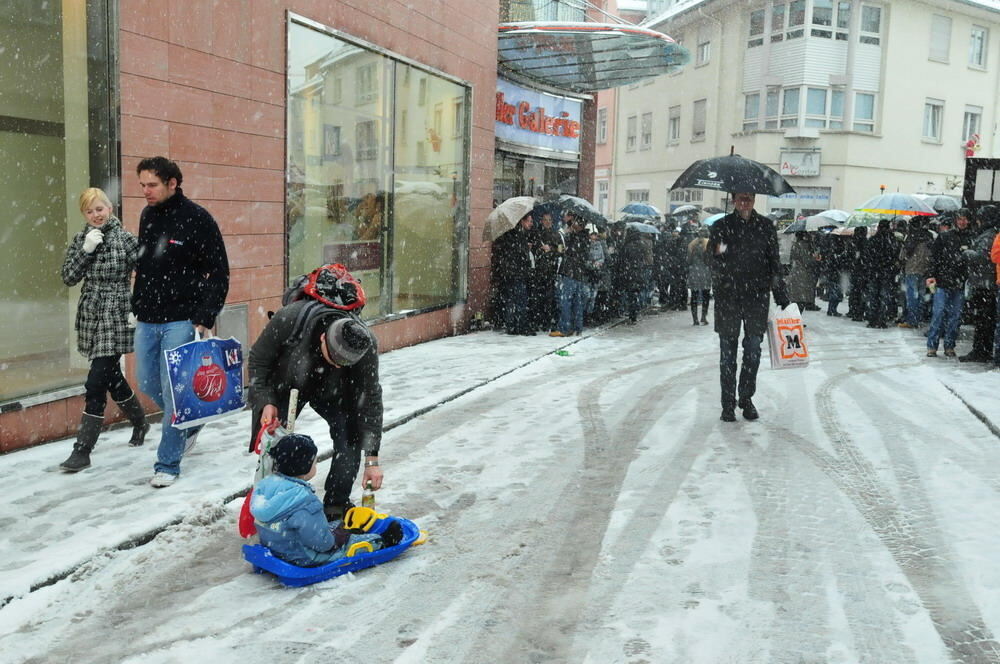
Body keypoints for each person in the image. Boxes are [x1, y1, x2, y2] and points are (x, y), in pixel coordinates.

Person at [132, 157, 230, 487]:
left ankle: (168, 463)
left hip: (180, 318)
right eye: (142, 184)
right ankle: (189, 420)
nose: (145, 191)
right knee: (146, 382)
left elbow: (218, 271)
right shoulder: (147, 214)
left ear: (173, 183)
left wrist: (205, 315)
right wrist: (136, 303)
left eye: (152, 185)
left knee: (174, 393)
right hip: (147, 317)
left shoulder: (198, 219)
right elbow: (147, 265)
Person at [248, 300, 383, 522]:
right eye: (335, 359)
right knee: (277, 441)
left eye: (345, 364)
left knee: (350, 438)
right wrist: (266, 401)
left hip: (334, 390)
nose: (339, 365)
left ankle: (336, 507)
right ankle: (272, 503)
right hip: (289, 383)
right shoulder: (290, 319)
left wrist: (372, 460)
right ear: (323, 338)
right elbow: (258, 360)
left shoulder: (365, 345)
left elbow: (371, 401)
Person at [58, 188, 149, 472]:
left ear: (109, 208)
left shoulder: (125, 240)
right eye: (89, 211)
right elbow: (68, 277)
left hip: (117, 312)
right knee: (111, 376)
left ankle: (83, 449)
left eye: (100, 208)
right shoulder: (82, 239)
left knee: (96, 380)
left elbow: (147, 273)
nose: (95, 215)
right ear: (84, 214)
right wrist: (85, 251)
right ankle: (140, 421)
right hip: (91, 313)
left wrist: (138, 307)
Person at [250, 433, 403, 567]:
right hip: (304, 557)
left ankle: (347, 530)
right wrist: (340, 538)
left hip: (279, 547)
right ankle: (383, 541)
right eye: (314, 462)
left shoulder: (266, 486)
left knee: (337, 524)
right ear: (305, 467)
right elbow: (323, 544)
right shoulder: (304, 502)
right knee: (351, 544)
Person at [708, 191, 789, 422]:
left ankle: (745, 398)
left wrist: (781, 295)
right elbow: (711, 258)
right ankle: (727, 404)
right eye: (741, 198)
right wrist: (720, 248)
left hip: (756, 297)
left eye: (749, 198)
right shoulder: (721, 226)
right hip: (728, 298)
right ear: (733, 200)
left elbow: (774, 262)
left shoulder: (765, 226)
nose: (745, 203)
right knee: (727, 354)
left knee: (753, 351)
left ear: (754, 200)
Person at [926, 208, 975, 357]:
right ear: (955, 220)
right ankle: (932, 346)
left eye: (965, 219)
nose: (962, 222)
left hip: (959, 284)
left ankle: (949, 345)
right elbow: (934, 257)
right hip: (942, 282)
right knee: (939, 314)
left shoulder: (971, 238)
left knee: (955, 317)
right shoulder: (944, 237)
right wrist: (931, 275)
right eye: (960, 218)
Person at [960, 205, 999, 362]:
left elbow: (983, 258)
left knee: (983, 320)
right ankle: (983, 350)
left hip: (985, 284)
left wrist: (966, 252)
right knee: (986, 320)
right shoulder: (991, 234)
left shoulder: (988, 236)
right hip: (987, 283)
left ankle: (980, 351)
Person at [550, 212, 590, 337]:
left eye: (573, 223)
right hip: (577, 274)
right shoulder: (584, 237)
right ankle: (577, 326)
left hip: (570, 272)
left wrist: (569, 235)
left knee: (566, 301)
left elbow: (571, 253)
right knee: (577, 301)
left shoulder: (577, 237)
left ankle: (564, 328)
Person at [862, 219, 900, 328]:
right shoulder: (892, 240)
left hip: (874, 272)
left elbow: (867, 256)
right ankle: (882, 319)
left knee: (873, 295)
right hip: (887, 273)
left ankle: (872, 318)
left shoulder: (873, 240)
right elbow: (895, 256)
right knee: (884, 296)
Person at [898, 217, 933, 328]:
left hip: (912, 270)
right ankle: (920, 317)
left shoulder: (911, 237)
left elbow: (903, 255)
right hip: (925, 270)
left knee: (912, 296)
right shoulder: (929, 237)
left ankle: (912, 320)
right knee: (922, 296)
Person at [619, 227, 654, 324]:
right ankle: (635, 312)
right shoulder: (642, 245)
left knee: (631, 294)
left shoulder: (627, 246)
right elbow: (646, 258)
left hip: (629, 272)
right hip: (639, 271)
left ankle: (632, 314)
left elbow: (622, 260)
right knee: (637, 293)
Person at [787, 232, 821, 313]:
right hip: (803, 275)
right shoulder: (804, 246)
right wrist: (815, 259)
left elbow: (792, 259)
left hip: (795, 273)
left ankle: (795, 320)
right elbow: (807, 261)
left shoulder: (795, 245)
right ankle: (797, 320)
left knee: (795, 299)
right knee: (801, 300)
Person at [687, 226, 712, 325]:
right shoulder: (709, 243)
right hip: (706, 272)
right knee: (706, 295)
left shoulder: (691, 244)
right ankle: (703, 317)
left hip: (694, 271)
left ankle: (695, 319)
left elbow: (688, 259)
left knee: (694, 295)